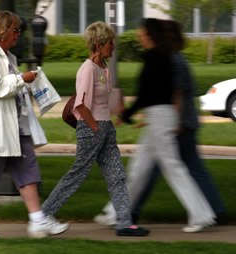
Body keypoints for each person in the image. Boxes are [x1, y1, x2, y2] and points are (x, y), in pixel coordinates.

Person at [94, 18, 216, 233]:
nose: (139, 35)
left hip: (160, 117)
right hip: (159, 117)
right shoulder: (162, 57)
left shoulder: (156, 58)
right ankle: (116, 213)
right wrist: (132, 114)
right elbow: (152, 95)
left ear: (150, 35)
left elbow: (147, 94)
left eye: (142, 32)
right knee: (139, 169)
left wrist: (128, 114)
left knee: (173, 168)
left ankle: (201, 216)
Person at [0, 10, 68, 239]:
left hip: (14, 125)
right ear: (4, 31)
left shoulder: (6, 56)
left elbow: (8, 87)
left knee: (28, 170)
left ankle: (37, 220)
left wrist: (28, 85)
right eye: (16, 30)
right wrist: (20, 80)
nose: (18, 35)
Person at [41, 21, 149, 237]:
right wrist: (95, 128)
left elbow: (101, 101)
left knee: (117, 175)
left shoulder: (102, 68)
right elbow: (80, 104)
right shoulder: (87, 69)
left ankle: (124, 223)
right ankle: (43, 216)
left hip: (105, 128)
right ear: (99, 45)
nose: (114, 47)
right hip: (92, 129)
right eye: (110, 43)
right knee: (77, 174)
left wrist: (110, 121)